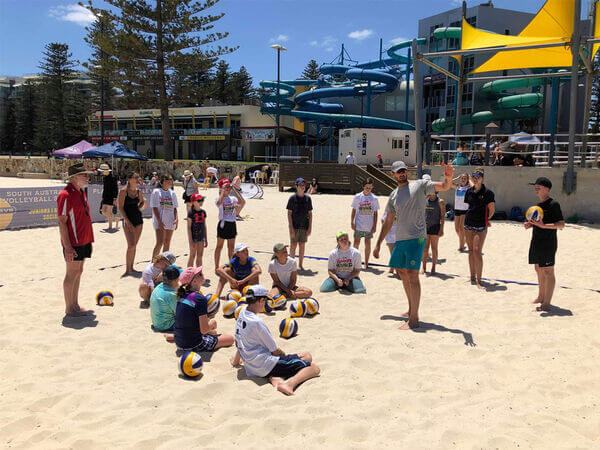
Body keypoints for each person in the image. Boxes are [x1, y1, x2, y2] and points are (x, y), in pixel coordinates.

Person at [373, 161, 454, 329]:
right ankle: (411, 310)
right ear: (393, 174)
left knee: (412, 274)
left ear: (406, 171)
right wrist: (378, 243)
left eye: (403, 170)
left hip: (417, 237)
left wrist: (449, 177)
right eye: (397, 172)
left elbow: (445, 187)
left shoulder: (420, 185)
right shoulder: (394, 195)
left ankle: (414, 319)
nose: (401, 173)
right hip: (400, 239)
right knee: (402, 273)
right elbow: (388, 221)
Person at [230, 285, 320, 396]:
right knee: (313, 367)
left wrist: (236, 361)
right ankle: (289, 384)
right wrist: (284, 357)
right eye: (265, 301)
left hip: (250, 366)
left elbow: (240, 339)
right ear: (261, 300)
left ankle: (276, 377)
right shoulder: (257, 322)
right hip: (264, 366)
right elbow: (275, 351)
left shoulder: (242, 311)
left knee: (305, 356)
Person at [57, 163, 95, 316]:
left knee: (79, 271)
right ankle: (69, 308)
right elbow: (62, 222)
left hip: (84, 240)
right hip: (73, 242)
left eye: (87, 174)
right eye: (84, 175)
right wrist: (67, 247)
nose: (87, 177)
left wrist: (89, 241)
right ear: (74, 178)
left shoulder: (81, 192)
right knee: (71, 274)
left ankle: (75, 305)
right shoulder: (65, 195)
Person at [524, 177, 564, 312]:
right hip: (536, 240)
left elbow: (561, 224)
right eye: (535, 186)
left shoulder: (554, 204)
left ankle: (547, 303)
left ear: (546, 189)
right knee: (538, 269)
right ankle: (541, 297)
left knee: (548, 271)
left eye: (538, 186)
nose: (536, 188)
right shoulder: (537, 206)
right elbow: (538, 223)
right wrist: (530, 224)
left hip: (548, 242)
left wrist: (544, 225)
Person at [174, 267, 234, 352]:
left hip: (179, 343)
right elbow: (204, 330)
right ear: (194, 281)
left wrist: (208, 317)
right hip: (194, 345)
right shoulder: (199, 298)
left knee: (213, 332)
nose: (203, 274)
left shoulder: (182, 295)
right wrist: (212, 322)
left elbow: (184, 318)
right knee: (230, 339)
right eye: (200, 274)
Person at [464, 168, 495, 289]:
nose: (475, 178)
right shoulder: (469, 191)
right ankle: (472, 277)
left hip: (481, 225)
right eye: (474, 176)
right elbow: (470, 207)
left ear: (482, 178)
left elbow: (492, 210)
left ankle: (479, 281)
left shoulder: (488, 193)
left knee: (477, 251)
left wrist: (486, 221)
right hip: (468, 223)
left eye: (478, 176)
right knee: (471, 251)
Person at [117, 172, 145, 276]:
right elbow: (120, 207)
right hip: (128, 219)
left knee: (134, 245)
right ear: (129, 179)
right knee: (131, 245)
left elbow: (142, 202)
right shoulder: (123, 191)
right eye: (136, 177)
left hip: (138, 219)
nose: (138, 179)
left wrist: (139, 207)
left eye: (138, 177)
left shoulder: (139, 191)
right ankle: (128, 269)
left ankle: (132, 267)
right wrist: (127, 221)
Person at [214, 178, 246, 270]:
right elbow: (219, 203)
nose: (227, 189)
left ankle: (231, 266)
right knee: (219, 246)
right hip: (223, 224)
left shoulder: (232, 198)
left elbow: (242, 202)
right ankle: (216, 266)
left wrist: (234, 189)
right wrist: (222, 191)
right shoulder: (218, 198)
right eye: (225, 187)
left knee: (231, 247)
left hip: (232, 224)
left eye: (228, 187)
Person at [351, 178, 380, 269]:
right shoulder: (358, 197)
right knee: (356, 242)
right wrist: (352, 221)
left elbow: (375, 213)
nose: (368, 189)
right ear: (363, 187)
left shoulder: (374, 198)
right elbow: (354, 210)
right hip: (359, 224)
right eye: (366, 187)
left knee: (367, 243)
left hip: (369, 225)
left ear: (372, 187)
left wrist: (374, 226)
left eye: (370, 188)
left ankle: (366, 262)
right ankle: (355, 262)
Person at [286, 178, 312, 270]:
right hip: (294, 226)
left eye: (303, 185)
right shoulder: (292, 198)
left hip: (304, 226)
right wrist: (291, 228)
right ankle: (292, 265)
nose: (302, 186)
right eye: (300, 185)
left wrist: (309, 228)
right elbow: (289, 213)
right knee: (293, 245)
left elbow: (310, 214)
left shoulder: (308, 199)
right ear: (296, 186)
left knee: (302, 245)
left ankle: (300, 265)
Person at [150, 174, 178, 258]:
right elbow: (154, 207)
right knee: (159, 242)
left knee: (167, 242)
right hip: (160, 220)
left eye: (171, 179)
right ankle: (153, 263)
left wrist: (176, 219)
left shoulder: (172, 193)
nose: (171, 181)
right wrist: (159, 221)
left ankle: (164, 263)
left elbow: (175, 208)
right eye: (169, 179)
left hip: (170, 220)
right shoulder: (156, 192)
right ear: (163, 181)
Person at [150, 265, 180, 340]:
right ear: (176, 280)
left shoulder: (159, 286)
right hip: (165, 326)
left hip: (157, 323)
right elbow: (179, 314)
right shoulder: (171, 294)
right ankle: (173, 337)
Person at [422, 192, 445, 274]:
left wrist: (442, 229)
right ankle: (424, 268)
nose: (431, 193)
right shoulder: (425, 200)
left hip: (435, 226)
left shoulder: (440, 202)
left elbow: (442, 216)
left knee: (434, 248)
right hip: (425, 227)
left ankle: (433, 267)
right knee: (425, 249)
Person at [187, 193, 208, 268]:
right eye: (199, 200)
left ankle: (199, 273)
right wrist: (190, 240)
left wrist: (206, 238)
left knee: (200, 255)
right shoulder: (191, 213)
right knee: (192, 255)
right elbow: (189, 227)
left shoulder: (203, 212)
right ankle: (189, 274)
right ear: (193, 202)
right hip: (193, 237)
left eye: (202, 200)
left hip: (201, 237)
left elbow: (204, 226)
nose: (201, 202)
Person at [451, 173, 470, 251]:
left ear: (467, 179)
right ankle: (463, 240)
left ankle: (461, 246)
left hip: (464, 209)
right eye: (462, 178)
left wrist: (470, 179)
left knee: (461, 228)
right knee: (456, 229)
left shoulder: (468, 188)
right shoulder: (457, 186)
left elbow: (474, 187)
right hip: (457, 209)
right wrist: (456, 178)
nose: (463, 179)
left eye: (465, 178)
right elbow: (448, 182)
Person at [99, 163, 119, 231]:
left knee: (108, 211)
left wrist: (114, 198)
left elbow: (116, 189)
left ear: (106, 171)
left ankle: (110, 226)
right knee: (103, 211)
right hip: (105, 197)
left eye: (102, 171)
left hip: (111, 197)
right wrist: (102, 197)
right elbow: (104, 189)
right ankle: (116, 219)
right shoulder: (105, 178)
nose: (101, 172)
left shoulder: (113, 178)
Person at [380, 210, 400, 276]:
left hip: (399, 234)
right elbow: (383, 220)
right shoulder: (388, 209)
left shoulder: (403, 207)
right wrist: (386, 230)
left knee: (396, 252)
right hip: (390, 233)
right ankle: (393, 268)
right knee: (392, 252)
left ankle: (395, 269)